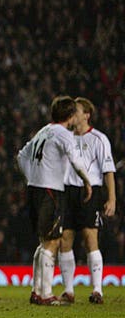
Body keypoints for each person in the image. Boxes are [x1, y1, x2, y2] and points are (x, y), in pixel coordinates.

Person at [17, 95, 92, 306]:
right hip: (50, 190)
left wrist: (31, 177)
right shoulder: (63, 133)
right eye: (75, 112)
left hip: (35, 188)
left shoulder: (44, 130)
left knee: (44, 242)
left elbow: (21, 156)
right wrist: (87, 181)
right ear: (69, 116)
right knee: (52, 241)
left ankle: (36, 290)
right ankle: (46, 294)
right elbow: (76, 160)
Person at [58, 97, 116, 305]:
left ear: (87, 115)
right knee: (65, 239)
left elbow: (108, 171)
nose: (73, 114)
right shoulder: (64, 137)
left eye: (77, 111)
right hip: (67, 191)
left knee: (90, 238)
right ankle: (68, 291)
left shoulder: (99, 139)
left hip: (90, 192)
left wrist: (112, 199)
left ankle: (97, 290)